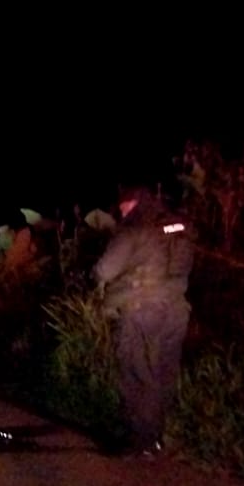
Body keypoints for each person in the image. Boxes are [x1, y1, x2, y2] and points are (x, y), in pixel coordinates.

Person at [92, 185, 194, 455]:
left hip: (142, 310)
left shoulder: (135, 226)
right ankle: (156, 436)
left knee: (138, 372)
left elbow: (106, 269)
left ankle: (138, 439)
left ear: (132, 204)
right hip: (176, 311)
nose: (121, 212)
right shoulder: (177, 225)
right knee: (163, 373)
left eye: (123, 207)